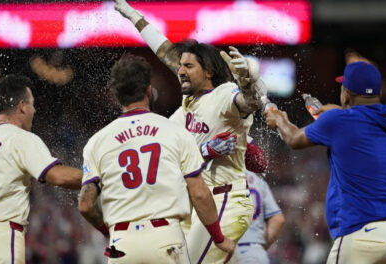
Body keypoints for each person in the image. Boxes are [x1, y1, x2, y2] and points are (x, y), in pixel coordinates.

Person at [113, 1, 265, 263]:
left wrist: (247, 83)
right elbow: (164, 51)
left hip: (224, 200)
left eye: (188, 67)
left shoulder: (223, 94)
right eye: (180, 66)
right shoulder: (184, 109)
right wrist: (133, 16)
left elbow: (249, 103)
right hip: (196, 204)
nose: (180, 71)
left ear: (209, 72)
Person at [78, 54, 235, 264]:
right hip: (166, 238)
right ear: (149, 90)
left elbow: (86, 205)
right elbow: (199, 193)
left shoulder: (97, 141)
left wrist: (108, 232)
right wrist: (219, 238)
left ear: (116, 97)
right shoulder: (175, 131)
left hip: (122, 242)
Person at [264, 61, 386, 263]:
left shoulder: (338, 120)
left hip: (360, 235)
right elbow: (364, 121)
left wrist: (280, 119)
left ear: (346, 94)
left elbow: (293, 139)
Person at [0, 74, 83, 264]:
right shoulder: (19, 138)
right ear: (22, 106)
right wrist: (99, 177)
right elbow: (58, 176)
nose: (34, 109)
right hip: (0, 238)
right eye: (32, 103)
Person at [236, 138, 285, 264]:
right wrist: (259, 246)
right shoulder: (258, 181)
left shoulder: (219, 177)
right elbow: (278, 219)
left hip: (229, 250)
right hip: (256, 251)